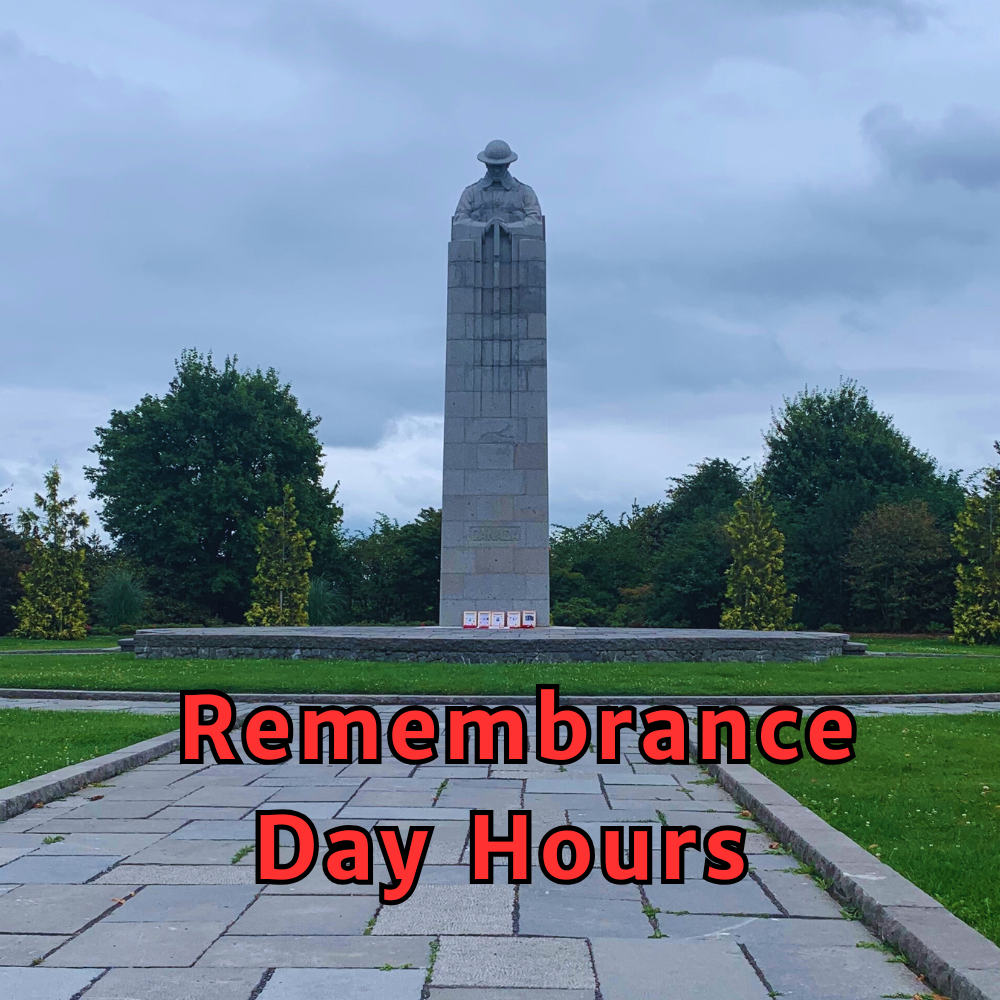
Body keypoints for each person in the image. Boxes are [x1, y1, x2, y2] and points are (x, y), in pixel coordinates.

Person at [453, 140, 542, 229]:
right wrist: (484, 227)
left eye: (500, 166)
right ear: (486, 164)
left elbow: (535, 221)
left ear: (508, 164)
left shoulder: (525, 193)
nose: (496, 170)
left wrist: (509, 228)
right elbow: (459, 221)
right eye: (493, 166)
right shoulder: (470, 193)